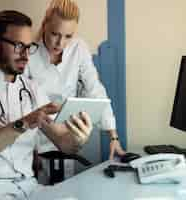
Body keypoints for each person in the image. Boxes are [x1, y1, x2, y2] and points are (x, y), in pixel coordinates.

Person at [0, 10, 92, 200]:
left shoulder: (32, 88)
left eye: (28, 47)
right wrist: (24, 122)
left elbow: (63, 142)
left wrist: (78, 138)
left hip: (29, 187)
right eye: (18, 46)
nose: (26, 55)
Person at [25, 0, 125, 160]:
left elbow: (95, 89)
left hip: (69, 136)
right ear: (45, 25)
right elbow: (23, 105)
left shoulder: (79, 48)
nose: (60, 43)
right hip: (35, 139)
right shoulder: (28, 54)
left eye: (68, 36)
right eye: (55, 34)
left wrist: (113, 136)